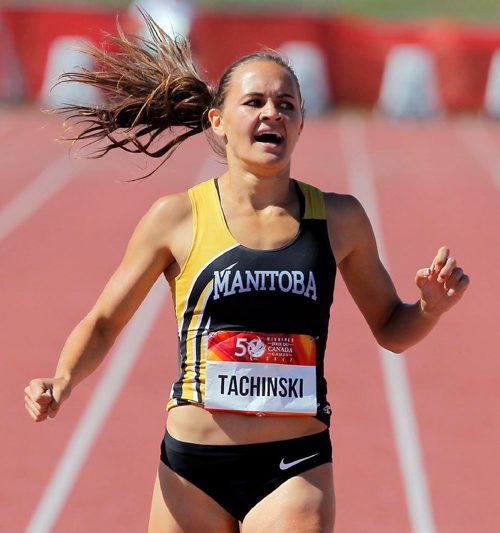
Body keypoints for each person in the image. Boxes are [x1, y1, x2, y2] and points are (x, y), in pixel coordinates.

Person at [24, 13, 469, 533]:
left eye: (286, 105)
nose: (272, 114)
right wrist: (63, 377)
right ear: (218, 121)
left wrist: (430, 311)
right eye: (254, 102)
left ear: (301, 122)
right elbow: (104, 321)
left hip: (294, 467)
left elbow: (393, 328)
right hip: (190, 469)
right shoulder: (177, 217)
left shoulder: (340, 218)